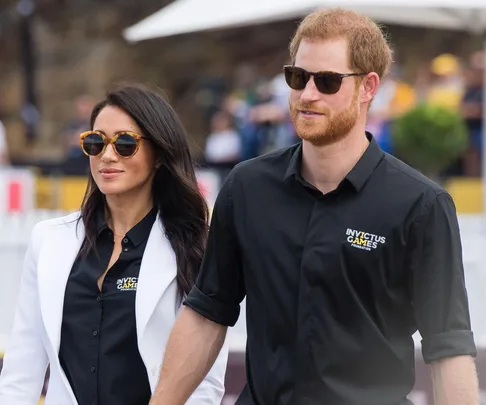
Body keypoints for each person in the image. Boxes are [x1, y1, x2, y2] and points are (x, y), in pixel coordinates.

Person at [148, 9, 479, 405]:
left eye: (327, 81)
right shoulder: (248, 187)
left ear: (369, 87)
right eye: (297, 77)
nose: (307, 94)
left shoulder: (421, 205)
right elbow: (206, 314)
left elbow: (448, 347)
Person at [0, 84, 228, 405]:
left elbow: (204, 383)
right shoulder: (49, 240)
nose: (107, 155)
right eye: (95, 142)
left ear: (160, 154)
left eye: (125, 143)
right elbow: (22, 370)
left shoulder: (193, 246)